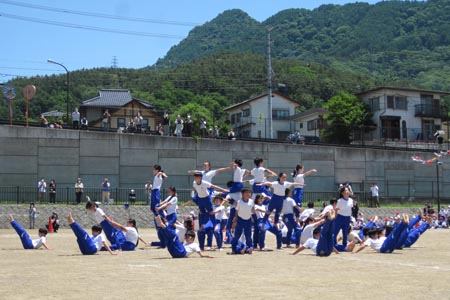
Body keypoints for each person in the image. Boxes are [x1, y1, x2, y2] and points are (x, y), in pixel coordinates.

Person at [231, 188, 255, 254]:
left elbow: (252, 209)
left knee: (248, 236)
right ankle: (234, 249)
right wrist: (235, 218)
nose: (248, 194)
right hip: (240, 220)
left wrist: (253, 215)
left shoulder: (251, 201)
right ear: (242, 194)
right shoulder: (239, 202)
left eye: (249, 193)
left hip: (248, 220)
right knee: (237, 236)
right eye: (246, 193)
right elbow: (237, 211)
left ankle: (250, 248)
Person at [333, 186, 354, 251]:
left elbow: (350, 209)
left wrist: (350, 218)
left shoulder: (351, 200)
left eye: (348, 190)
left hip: (347, 218)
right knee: (335, 232)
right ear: (342, 193)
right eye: (346, 190)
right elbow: (336, 209)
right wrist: (335, 217)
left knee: (345, 233)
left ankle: (345, 246)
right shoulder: (340, 201)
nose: (347, 192)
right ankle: (333, 244)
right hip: (340, 217)